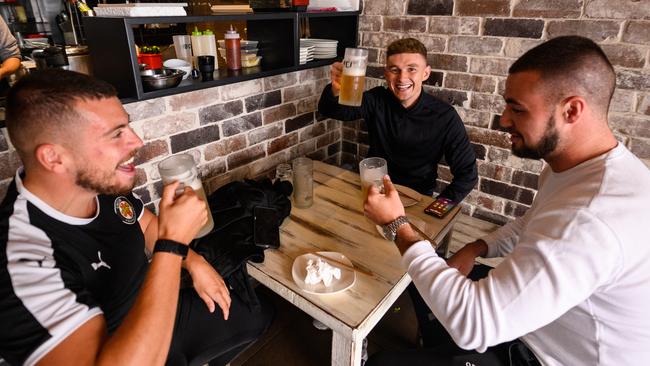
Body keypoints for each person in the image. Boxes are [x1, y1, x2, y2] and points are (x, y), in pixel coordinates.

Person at [363, 35, 650, 365]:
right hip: (539, 320)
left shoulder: (590, 218)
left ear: (572, 110)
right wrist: (476, 248)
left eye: (517, 108)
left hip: (541, 354)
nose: (503, 120)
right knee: (429, 285)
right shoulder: (575, 166)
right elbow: (532, 223)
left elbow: (475, 323)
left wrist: (397, 224)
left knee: (382, 362)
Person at [0, 69, 273, 366]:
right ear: (54, 158)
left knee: (256, 315)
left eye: (127, 127)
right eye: (116, 134)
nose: (137, 141)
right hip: (121, 350)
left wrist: (196, 263)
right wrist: (173, 244)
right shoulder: (20, 262)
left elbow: (144, 224)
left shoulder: (100, 184)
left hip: (153, 304)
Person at [318, 38, 477, 201]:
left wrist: (436, 209)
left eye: (411, 69)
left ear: (426, 73)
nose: (402, 78)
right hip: (373, 192)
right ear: (386, 73)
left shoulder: (445, 116)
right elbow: (331, 110)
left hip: (416, 199)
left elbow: (467, 174)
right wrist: (335, 90)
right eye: (395, 70)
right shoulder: (377, 99)